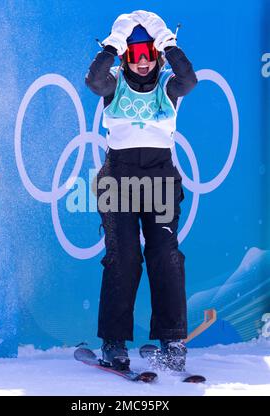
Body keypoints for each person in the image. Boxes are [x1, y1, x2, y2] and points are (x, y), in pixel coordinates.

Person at [85, 10, 197, 371]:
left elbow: (189, 80)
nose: (144, 62)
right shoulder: (114, 83)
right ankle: (113, 343)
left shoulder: (167, 85)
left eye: (149, 54)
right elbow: (93, 79)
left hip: (160, 176)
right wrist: (114, 44)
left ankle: (172, 340)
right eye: (135, 55)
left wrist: (168, 41)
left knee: (165, 255)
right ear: (126, 57)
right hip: (119, 177)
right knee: (125, 257)